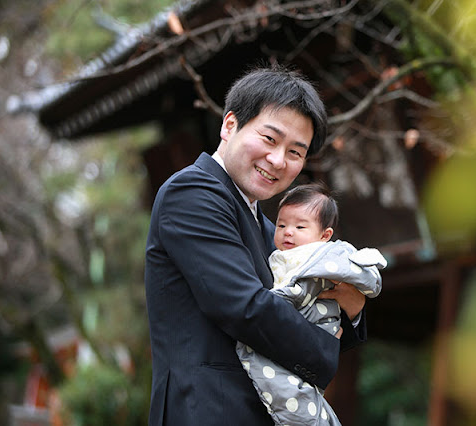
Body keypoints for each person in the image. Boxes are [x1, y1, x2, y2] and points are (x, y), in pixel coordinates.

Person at [144, 65, 368, 425]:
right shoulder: (192, 192)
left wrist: (352, 309)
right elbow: (244, 306)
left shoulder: (271, 229)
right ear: (229, 125)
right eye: (269, 139)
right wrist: (325, 350)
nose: (278, 160)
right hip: (205, 410)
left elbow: (304, 306)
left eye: (296, 152)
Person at [236, 183, 386, 426]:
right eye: (282, 225)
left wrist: (354, 307)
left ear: (324, 235)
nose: (287, 232)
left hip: (311, 341)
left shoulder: (319, 257)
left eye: (299, 227)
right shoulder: (271, 245)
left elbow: (323, 286)